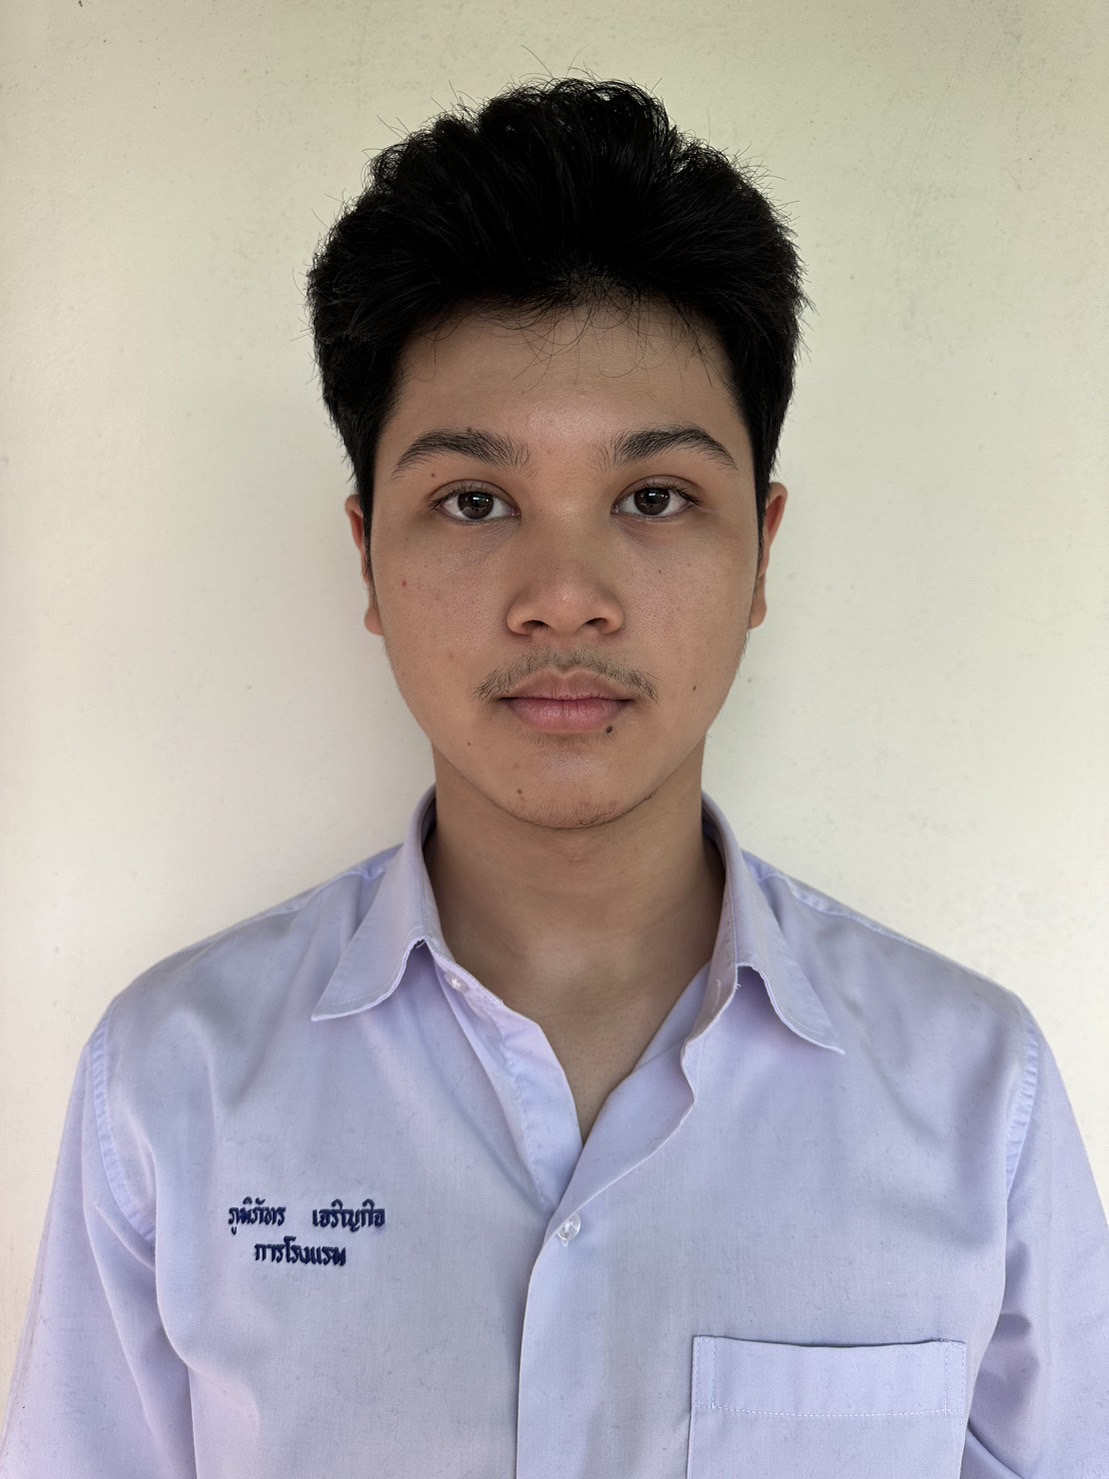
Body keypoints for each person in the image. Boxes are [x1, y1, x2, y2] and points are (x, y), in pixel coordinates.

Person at [2, 77, 1107, 1479]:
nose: (564, 595)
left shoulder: (974, 1096)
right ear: (366, 555)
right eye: (473, 501)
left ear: (760, 553)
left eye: (654, 497)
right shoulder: (173, 1085)